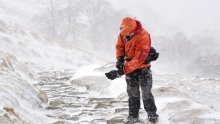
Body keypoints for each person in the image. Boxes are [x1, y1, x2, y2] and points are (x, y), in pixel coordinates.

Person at [105, 17, 159, 123]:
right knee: (132, 93)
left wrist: (120, 72)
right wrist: (120, 59)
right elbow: (119, 47)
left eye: (128, 34)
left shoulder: (143, 36)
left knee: (146, 92)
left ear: (133, 30)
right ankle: (133, 117)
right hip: (130, 68)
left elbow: (139, 59)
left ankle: (152, 116)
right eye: (124, 33)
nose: (126, 35)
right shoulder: (123, 33)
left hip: (143, 68)